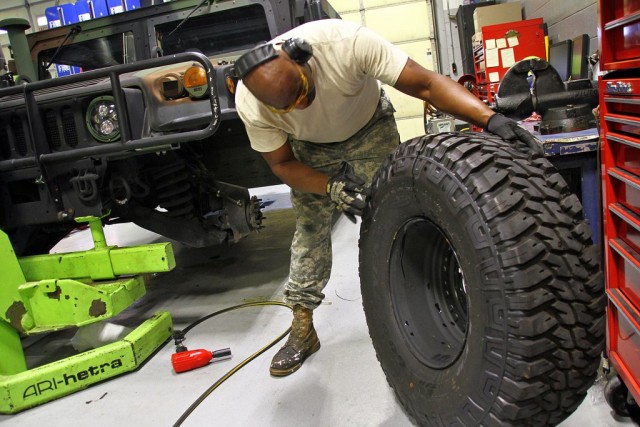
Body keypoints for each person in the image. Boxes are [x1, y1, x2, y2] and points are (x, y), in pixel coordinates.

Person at [234, 19, 538, 377]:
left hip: (368, 128)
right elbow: (283, 163)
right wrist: (329, 186)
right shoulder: (251, 104)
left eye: (305, 92)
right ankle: (302, 329)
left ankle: (430, 298)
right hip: (309, 150)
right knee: (310, 230)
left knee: (397, 213)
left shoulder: (346, 44)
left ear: (303, 60)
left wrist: (490, 120)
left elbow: (426, 84)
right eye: (291, 107)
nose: (303, 105)